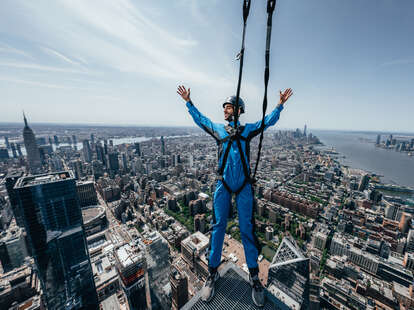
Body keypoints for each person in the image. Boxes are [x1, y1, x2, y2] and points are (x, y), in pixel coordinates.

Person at [177, 85, 293, 307]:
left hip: (243, 187)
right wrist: (189, 103)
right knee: (218, 227)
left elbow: (265, 122)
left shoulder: (247, 131)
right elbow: (202, 120)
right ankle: (212, 273)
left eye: (228, 107)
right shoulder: (220, 131)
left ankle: (254, 277)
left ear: (238, 110)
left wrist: (279, 105)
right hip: (223, 185)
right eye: (224, 108)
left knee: (247, 229)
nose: (225, 111)